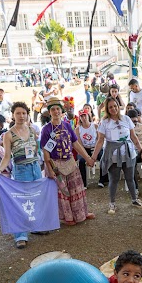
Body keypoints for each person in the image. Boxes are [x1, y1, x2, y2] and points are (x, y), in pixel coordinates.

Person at [41, 96, 96, 226]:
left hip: (70, 161)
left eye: (58, 109)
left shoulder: (67, 125)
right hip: (56, 164)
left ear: (62, 111)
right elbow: (45, 151)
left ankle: (81, 213)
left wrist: (88, 158)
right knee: (63, 191)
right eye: (53, 109)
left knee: (77, 188)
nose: (56, 112)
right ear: (49, 112)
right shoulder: (46, 129)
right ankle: (68, 217)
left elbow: (75, 143)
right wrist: (49, 168)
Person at [0, 103, 44, 249]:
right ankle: (20, 235)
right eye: (18, 113)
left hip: (35, 168)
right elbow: (6, 157)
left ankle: (35, 227)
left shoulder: (32, 130)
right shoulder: (8, 134)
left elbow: (37, 151)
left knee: (35, 199)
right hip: (21, 170)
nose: (21, 116)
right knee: (20, 203)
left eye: (24, 113)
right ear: (13, 115)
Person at [90, 97, 142, 214]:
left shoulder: (126, 119)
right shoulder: (104, 123)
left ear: (118, 106)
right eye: (110, 107)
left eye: (115, 106)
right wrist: (93, 157)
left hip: (128, 152)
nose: (113, 108)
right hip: (113, 154)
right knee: (113, 179)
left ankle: (134, 199)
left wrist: (141, 150)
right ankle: (112, 203)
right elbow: (100, 141)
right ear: (107, 109)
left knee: (130, 178)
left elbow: (133, 136)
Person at [75, 106, 99, 187]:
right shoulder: (78, 129)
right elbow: (79, 144)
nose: (84, 117)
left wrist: (94, 153)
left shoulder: (95, 126)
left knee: (103, 157)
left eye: (85, 115)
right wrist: (87, 156)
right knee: (81, 161)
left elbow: (99, 140)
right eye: (81, 116)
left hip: (95, 148)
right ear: (80, 118)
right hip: (84, 149)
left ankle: (103, 180)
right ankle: (84, 183)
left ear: (88, 115)